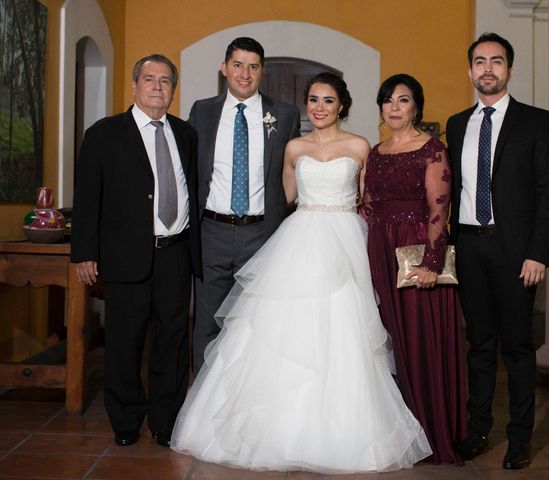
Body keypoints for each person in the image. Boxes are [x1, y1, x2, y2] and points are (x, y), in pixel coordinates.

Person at [171, 72, 430, 473]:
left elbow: (370, 202)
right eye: (312, 99)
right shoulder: (293, 147)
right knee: (282, 331)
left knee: (345, 331)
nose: (318, 107)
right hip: (300, 237)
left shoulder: (361, 146)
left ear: (341, 105)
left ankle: (340, 429)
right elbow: (283, 199)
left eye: (327, 100)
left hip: (346, 238)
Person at [71, 54, 202, 447]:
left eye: (165, 81)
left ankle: (166, 420)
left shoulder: (185, 133)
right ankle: (126, 420)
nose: (157, 87)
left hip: (176, 254)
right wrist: (83, 252)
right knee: (124, 343)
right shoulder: (104, 134)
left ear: (173, 90)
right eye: (149, 79)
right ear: (134, 86)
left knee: (173, 342)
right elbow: (87, 196)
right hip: (126, 255)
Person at [446, 33, 549, 469]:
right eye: (480, 61)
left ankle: (519, 438)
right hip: (470, 248)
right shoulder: (458, 124)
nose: (488, 68)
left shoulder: (536, 121)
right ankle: (478, 431)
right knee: (478, 345)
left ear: (509, 69)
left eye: (496, 61)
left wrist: (538, 252)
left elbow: (548, 192)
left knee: (516, 347)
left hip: (517, 253)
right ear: (470, 70)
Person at [362, 74, 467, 465]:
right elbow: (368, 204)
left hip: (417, 252)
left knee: (421, 342)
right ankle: (400, 436)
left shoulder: (432, 149)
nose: (394, 107)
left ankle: (431, 432)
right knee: (389, 344)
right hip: (379, 251)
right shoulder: (375, 151)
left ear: (416, 107)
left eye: (402, 100)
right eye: (388, 100)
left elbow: (440, 208)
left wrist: (431, 264)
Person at [189, 37, 300, 375]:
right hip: (212, 233)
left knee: (259, 322)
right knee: (207, 323)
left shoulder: (283, 114)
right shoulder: (202, 111)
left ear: (262, 72)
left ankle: (250, 404)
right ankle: (204, 406)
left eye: (253, 66)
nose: (245, 74)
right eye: (237, 65)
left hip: (261, 234)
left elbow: (293, 173)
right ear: (224, 68)